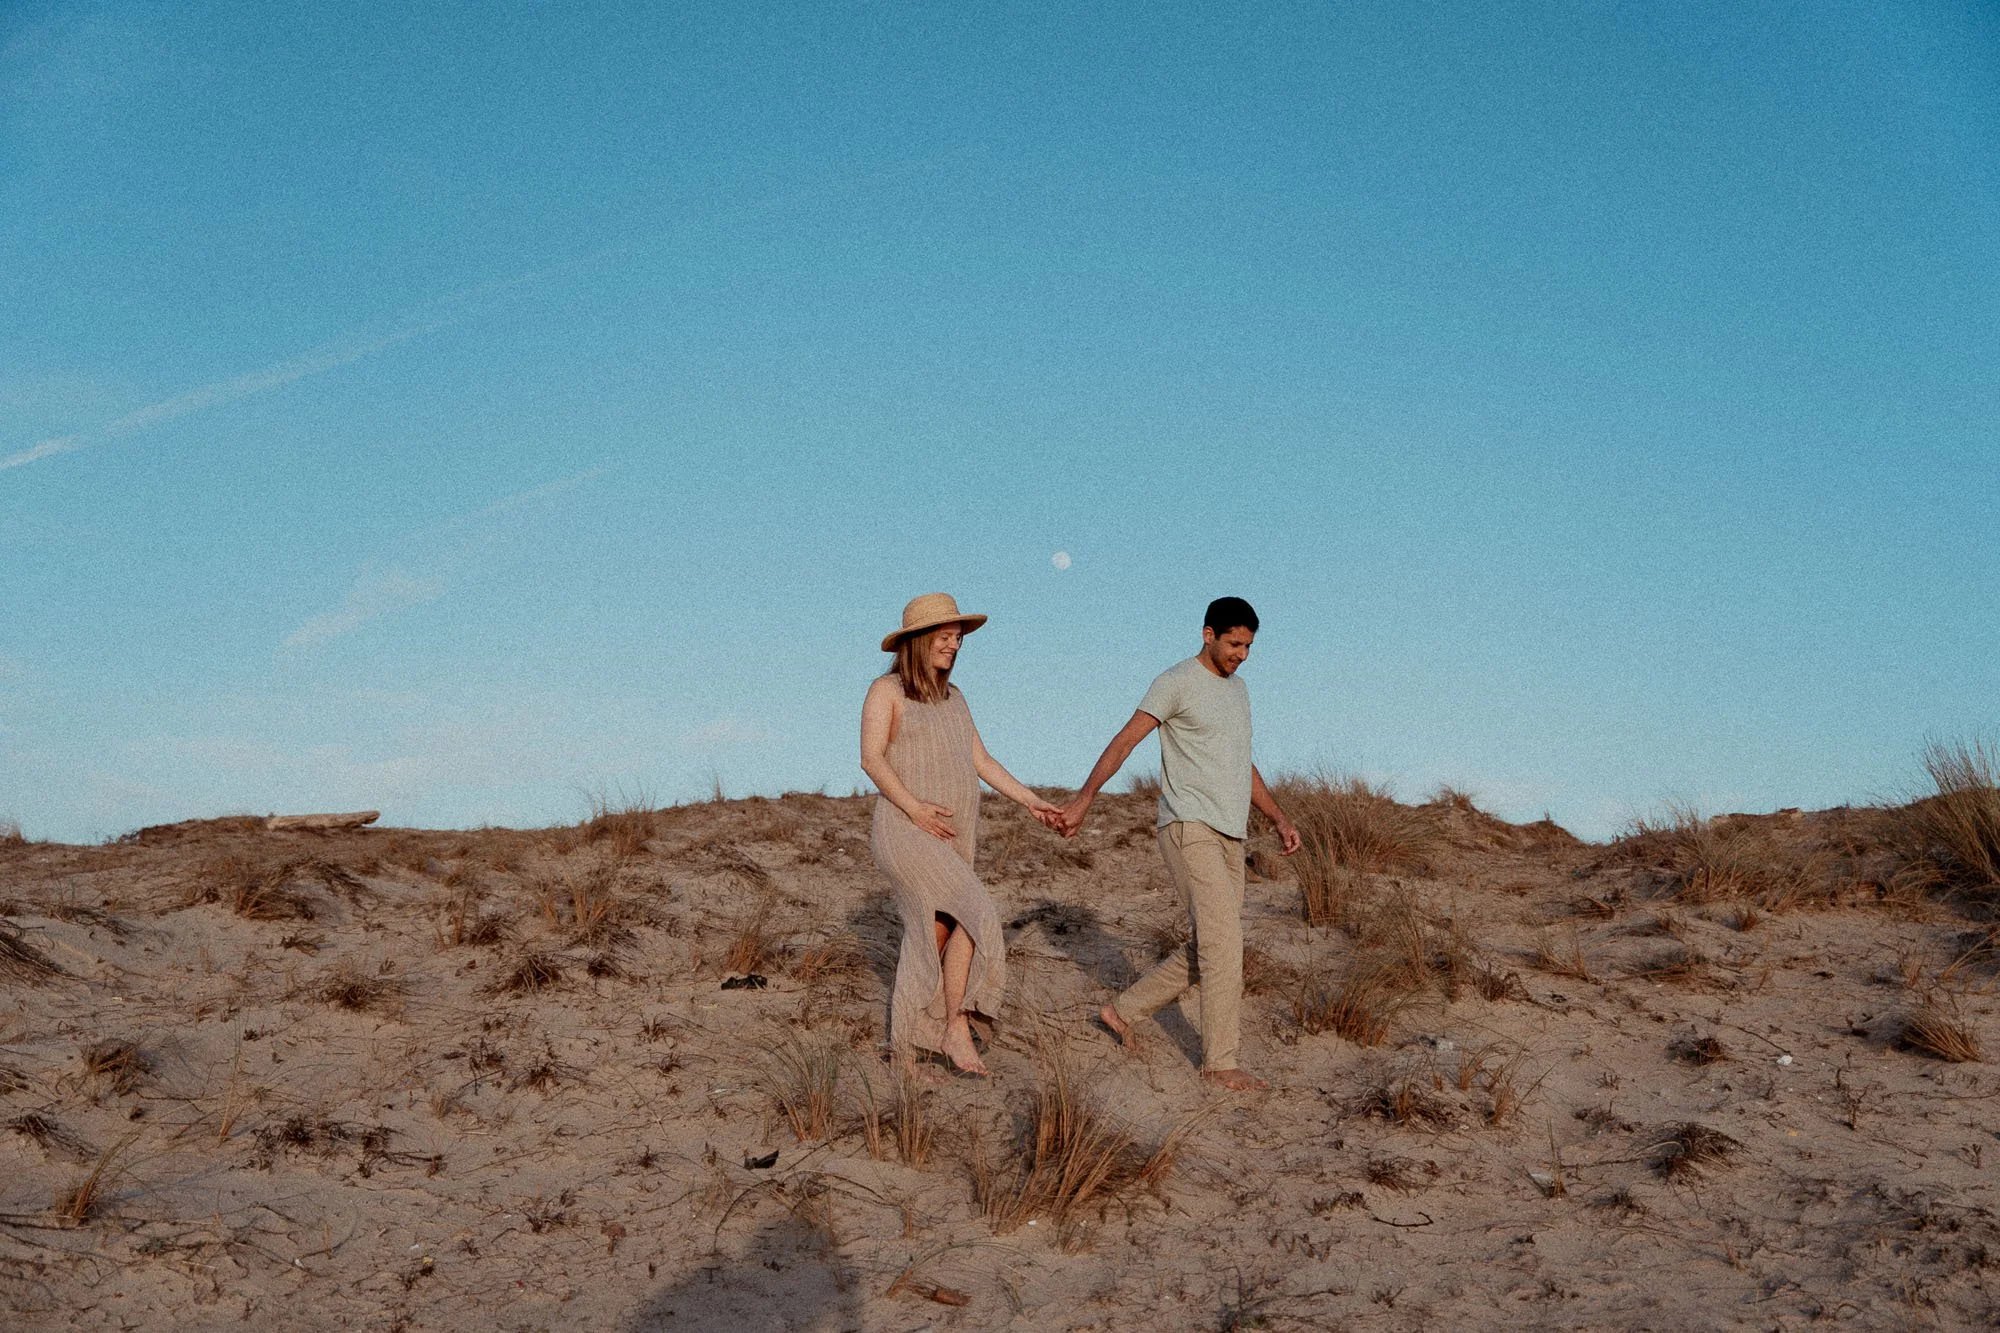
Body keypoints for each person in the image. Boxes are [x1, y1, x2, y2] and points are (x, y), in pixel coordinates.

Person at [1057, 596, 1300, 1092]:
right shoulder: (1175, 682)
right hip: (1189, 827)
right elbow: (1125, 741)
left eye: (1249, 647)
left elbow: (1241, 764)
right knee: (1224, 945)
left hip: (1231, 833)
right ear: (1208, 635)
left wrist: (1277, 817)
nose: (1242, 655)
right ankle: (1220, 1063)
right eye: (1234, 644)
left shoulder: (1239, 692)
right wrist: (1084, 799)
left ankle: (1122, 1011)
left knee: (1209, 943)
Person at [861, 593, 1065, 1076]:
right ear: (918, 640)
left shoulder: (956, 699)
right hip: (905, 829)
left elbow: (982, 761)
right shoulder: (886, 690)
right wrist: (914, 808)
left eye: (957, 638)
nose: (954, 645)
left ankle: (904, 1046)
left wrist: (1030, 801)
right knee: (978, 913)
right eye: (945, 637)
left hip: (952, 834)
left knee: (936, 933)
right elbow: (871, 758)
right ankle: (956, 1026)